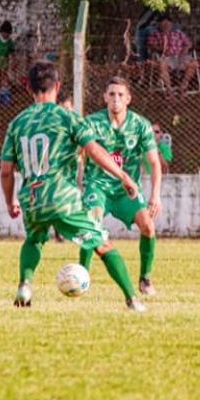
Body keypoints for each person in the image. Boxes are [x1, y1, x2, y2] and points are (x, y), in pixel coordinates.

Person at [0, 61, 147, 311]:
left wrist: (10, 201)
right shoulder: (67, 117)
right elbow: (94, 150)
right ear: (57, 87)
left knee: (34, 239)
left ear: (29, 90)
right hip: (63, 197)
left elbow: (5, 171)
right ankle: (133, 299)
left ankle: (25, 285)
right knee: (102, 243)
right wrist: (123, 175)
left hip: (33, 198)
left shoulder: (17, 123)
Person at [78, 77, 162, 295]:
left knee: (148, 227)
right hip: (97, 186)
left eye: (121, 95)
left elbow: (154, 161)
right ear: (105, 97)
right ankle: (81, 277)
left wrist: (156, 195)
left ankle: (145, 278)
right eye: (112, 94)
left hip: (126, 190)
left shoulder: (140, 125)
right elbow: (78, 155)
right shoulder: (92, 122)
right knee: (92, 225)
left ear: (128, 99)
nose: (116, 99)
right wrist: (76, 181)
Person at [147, 14, 198, 99]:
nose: (166, 26)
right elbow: (151, 46)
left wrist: (186, 49)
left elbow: (188, 44)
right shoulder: (155, 34)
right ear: (159, 24)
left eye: (168, 24)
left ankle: (182, 86)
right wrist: (161, 49)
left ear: (171, 24)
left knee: (194, 64)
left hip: (180, 56)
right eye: (163, 24)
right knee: (162, 65)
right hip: (166, 57)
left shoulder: (178, 33)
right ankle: (169, 90)